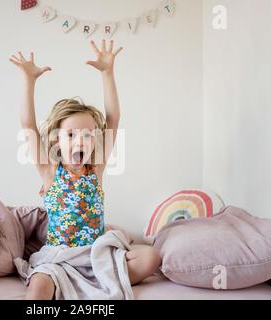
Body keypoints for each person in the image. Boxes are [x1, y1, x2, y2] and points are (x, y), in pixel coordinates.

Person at [9, 40, 161, 300]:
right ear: (57, 139)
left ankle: (101, 278)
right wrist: (29, 79)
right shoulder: (49, 170)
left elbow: (113, 118)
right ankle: (63, 284)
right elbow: (28, 125)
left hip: (95, 255)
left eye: (89, 135)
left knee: (151, 257)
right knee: (38, 289)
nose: (81, 141)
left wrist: (107, 73)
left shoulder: (96, 169)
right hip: (59, 258)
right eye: (71, 134)